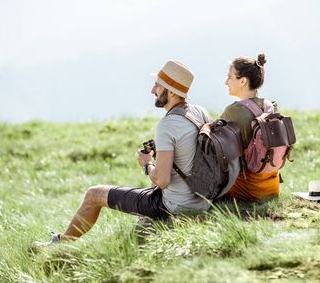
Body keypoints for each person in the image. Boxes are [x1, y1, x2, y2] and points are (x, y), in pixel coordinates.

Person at [34, 60, 212, 246]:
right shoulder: (200, 112)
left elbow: (161, 180)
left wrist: (146, 163)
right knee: (143, 194)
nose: (152, 90)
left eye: (158, 86)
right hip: (201, 201)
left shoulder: (167, 126)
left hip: (173, 206)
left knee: (94, 194)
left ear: (172, 92)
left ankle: (61, 244)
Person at [219, 53, 280, 202]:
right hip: (272, 186)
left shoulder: (233, 111)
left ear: (243, 81)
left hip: (247, 190)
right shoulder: (269, 106)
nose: (226, 82)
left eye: (230, 77)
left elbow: (212, 143)